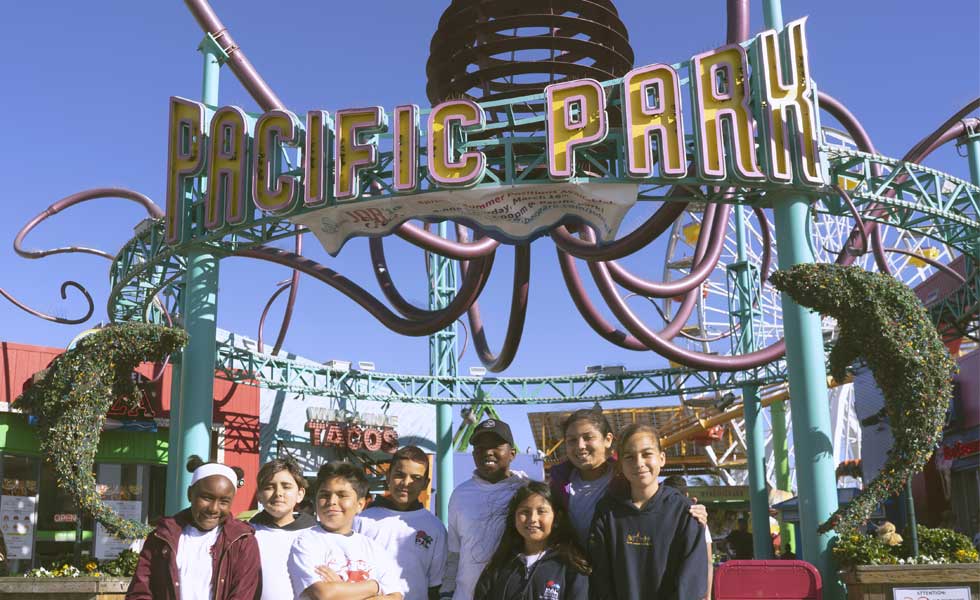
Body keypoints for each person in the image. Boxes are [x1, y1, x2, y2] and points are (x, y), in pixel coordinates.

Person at [549, 409, 709, 545]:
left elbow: (657, 503)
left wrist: (687, 510)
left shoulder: (629, 478)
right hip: (578, 575)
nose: (580, 446)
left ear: (608, 439)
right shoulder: (558, 484)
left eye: (588, 437)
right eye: (572, 440)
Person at [588, 424, 707, 600]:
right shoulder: (607, 511)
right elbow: (600, 576)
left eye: (647, 454)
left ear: (662, 458)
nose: (639, 463)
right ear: (621, 464)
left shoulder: (685, 512)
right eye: (629, 457)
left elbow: (692, 581)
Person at [127, 455, 262, 600]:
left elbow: (244, 594)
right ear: (190, 494)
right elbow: (140, 591)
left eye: (224, 501)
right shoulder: (161, 537)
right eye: (207, 498)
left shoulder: (243, 542)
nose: (214, 508)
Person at [288, 461, 405, 600]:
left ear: (360, 504)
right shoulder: (306, 542)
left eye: (342, 495)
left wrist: (340, 588)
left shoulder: (373, 549)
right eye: (324, 495)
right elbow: (325, 594)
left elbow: (396, 596)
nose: (332, 501)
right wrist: (375, 586)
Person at [441, 418, 530, 600]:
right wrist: (446, 594)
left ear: (512, 454)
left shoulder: (526, 492)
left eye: (496, 446)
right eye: (480, 448)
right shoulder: (460, 494)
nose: (487, 452)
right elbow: (454, 552)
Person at [354, 445, 448, 600]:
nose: (406, 483)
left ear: (425, 483)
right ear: (388, 475)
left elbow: (435, 585)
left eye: (416, 478)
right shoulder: (362, 521)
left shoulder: (435, 527)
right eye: (399, 475)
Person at [474, 481, 590, 600]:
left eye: (541, 511)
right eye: (525, 512)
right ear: (514, 518)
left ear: (557, 517)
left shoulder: (571, 565)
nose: (532, 519)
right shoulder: (499, 566)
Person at [250, 456, 315, 600]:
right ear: (259, 496)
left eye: (286, 486)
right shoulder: (247, 534)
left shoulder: (316, 534)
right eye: (269, 487)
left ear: (300, 494)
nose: (278, 493)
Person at [662, 475, 713, 600]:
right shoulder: (697, 519)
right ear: (687, 495)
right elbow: (708, 562)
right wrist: (707, 595)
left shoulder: (657, 518)